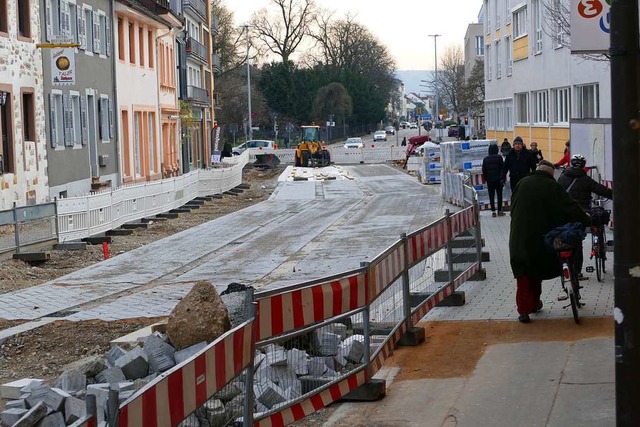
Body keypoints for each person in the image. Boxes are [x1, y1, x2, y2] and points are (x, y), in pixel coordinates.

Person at [509, 160, 590, 323]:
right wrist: (585, 219)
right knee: (536, 270)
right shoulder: (552, 186)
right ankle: (533, 303)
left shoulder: (522, 183)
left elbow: (512, 207)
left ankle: (525, 310)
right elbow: (569, 206)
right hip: (541, 237)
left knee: (524, 273)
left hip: (519, 236)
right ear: (551, 174)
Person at [557, 154, 613, 278]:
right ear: (583, 165)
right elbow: (601, 190)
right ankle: (577, 271)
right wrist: (615, 195)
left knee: (565, 238)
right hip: (581, 213)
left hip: (564, 213)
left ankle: (565, 265)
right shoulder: (586, 179)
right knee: (577, 239)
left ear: (571, 164)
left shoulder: (562, 178)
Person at [482, 144, 505, 217]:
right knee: (499, 195)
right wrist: (502, 177)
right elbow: (502, 168)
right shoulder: (499, 157)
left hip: (490, 180)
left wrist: (486, 178)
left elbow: (484, 170)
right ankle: (499, 211)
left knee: (491, 196)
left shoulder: (485, 159)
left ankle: (493, 211)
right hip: (498, 180)